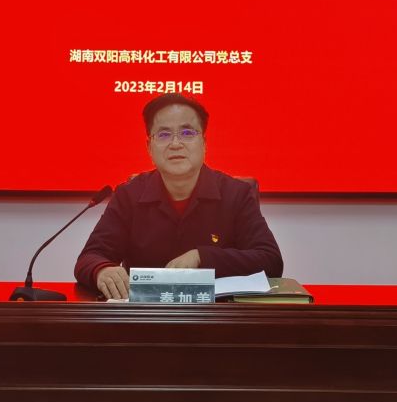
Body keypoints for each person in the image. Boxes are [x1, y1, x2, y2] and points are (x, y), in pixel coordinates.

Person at [74, 93, 283, 299]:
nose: (175, 143)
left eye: (187, 133)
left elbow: (270, 260)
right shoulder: (129, 195)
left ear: (204, 143)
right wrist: (102, 270)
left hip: (217, 315)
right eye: (163, 135)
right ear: (149, 147)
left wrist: (202, 256)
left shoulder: (235, 194)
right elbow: (90, 257)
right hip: (145, 316)